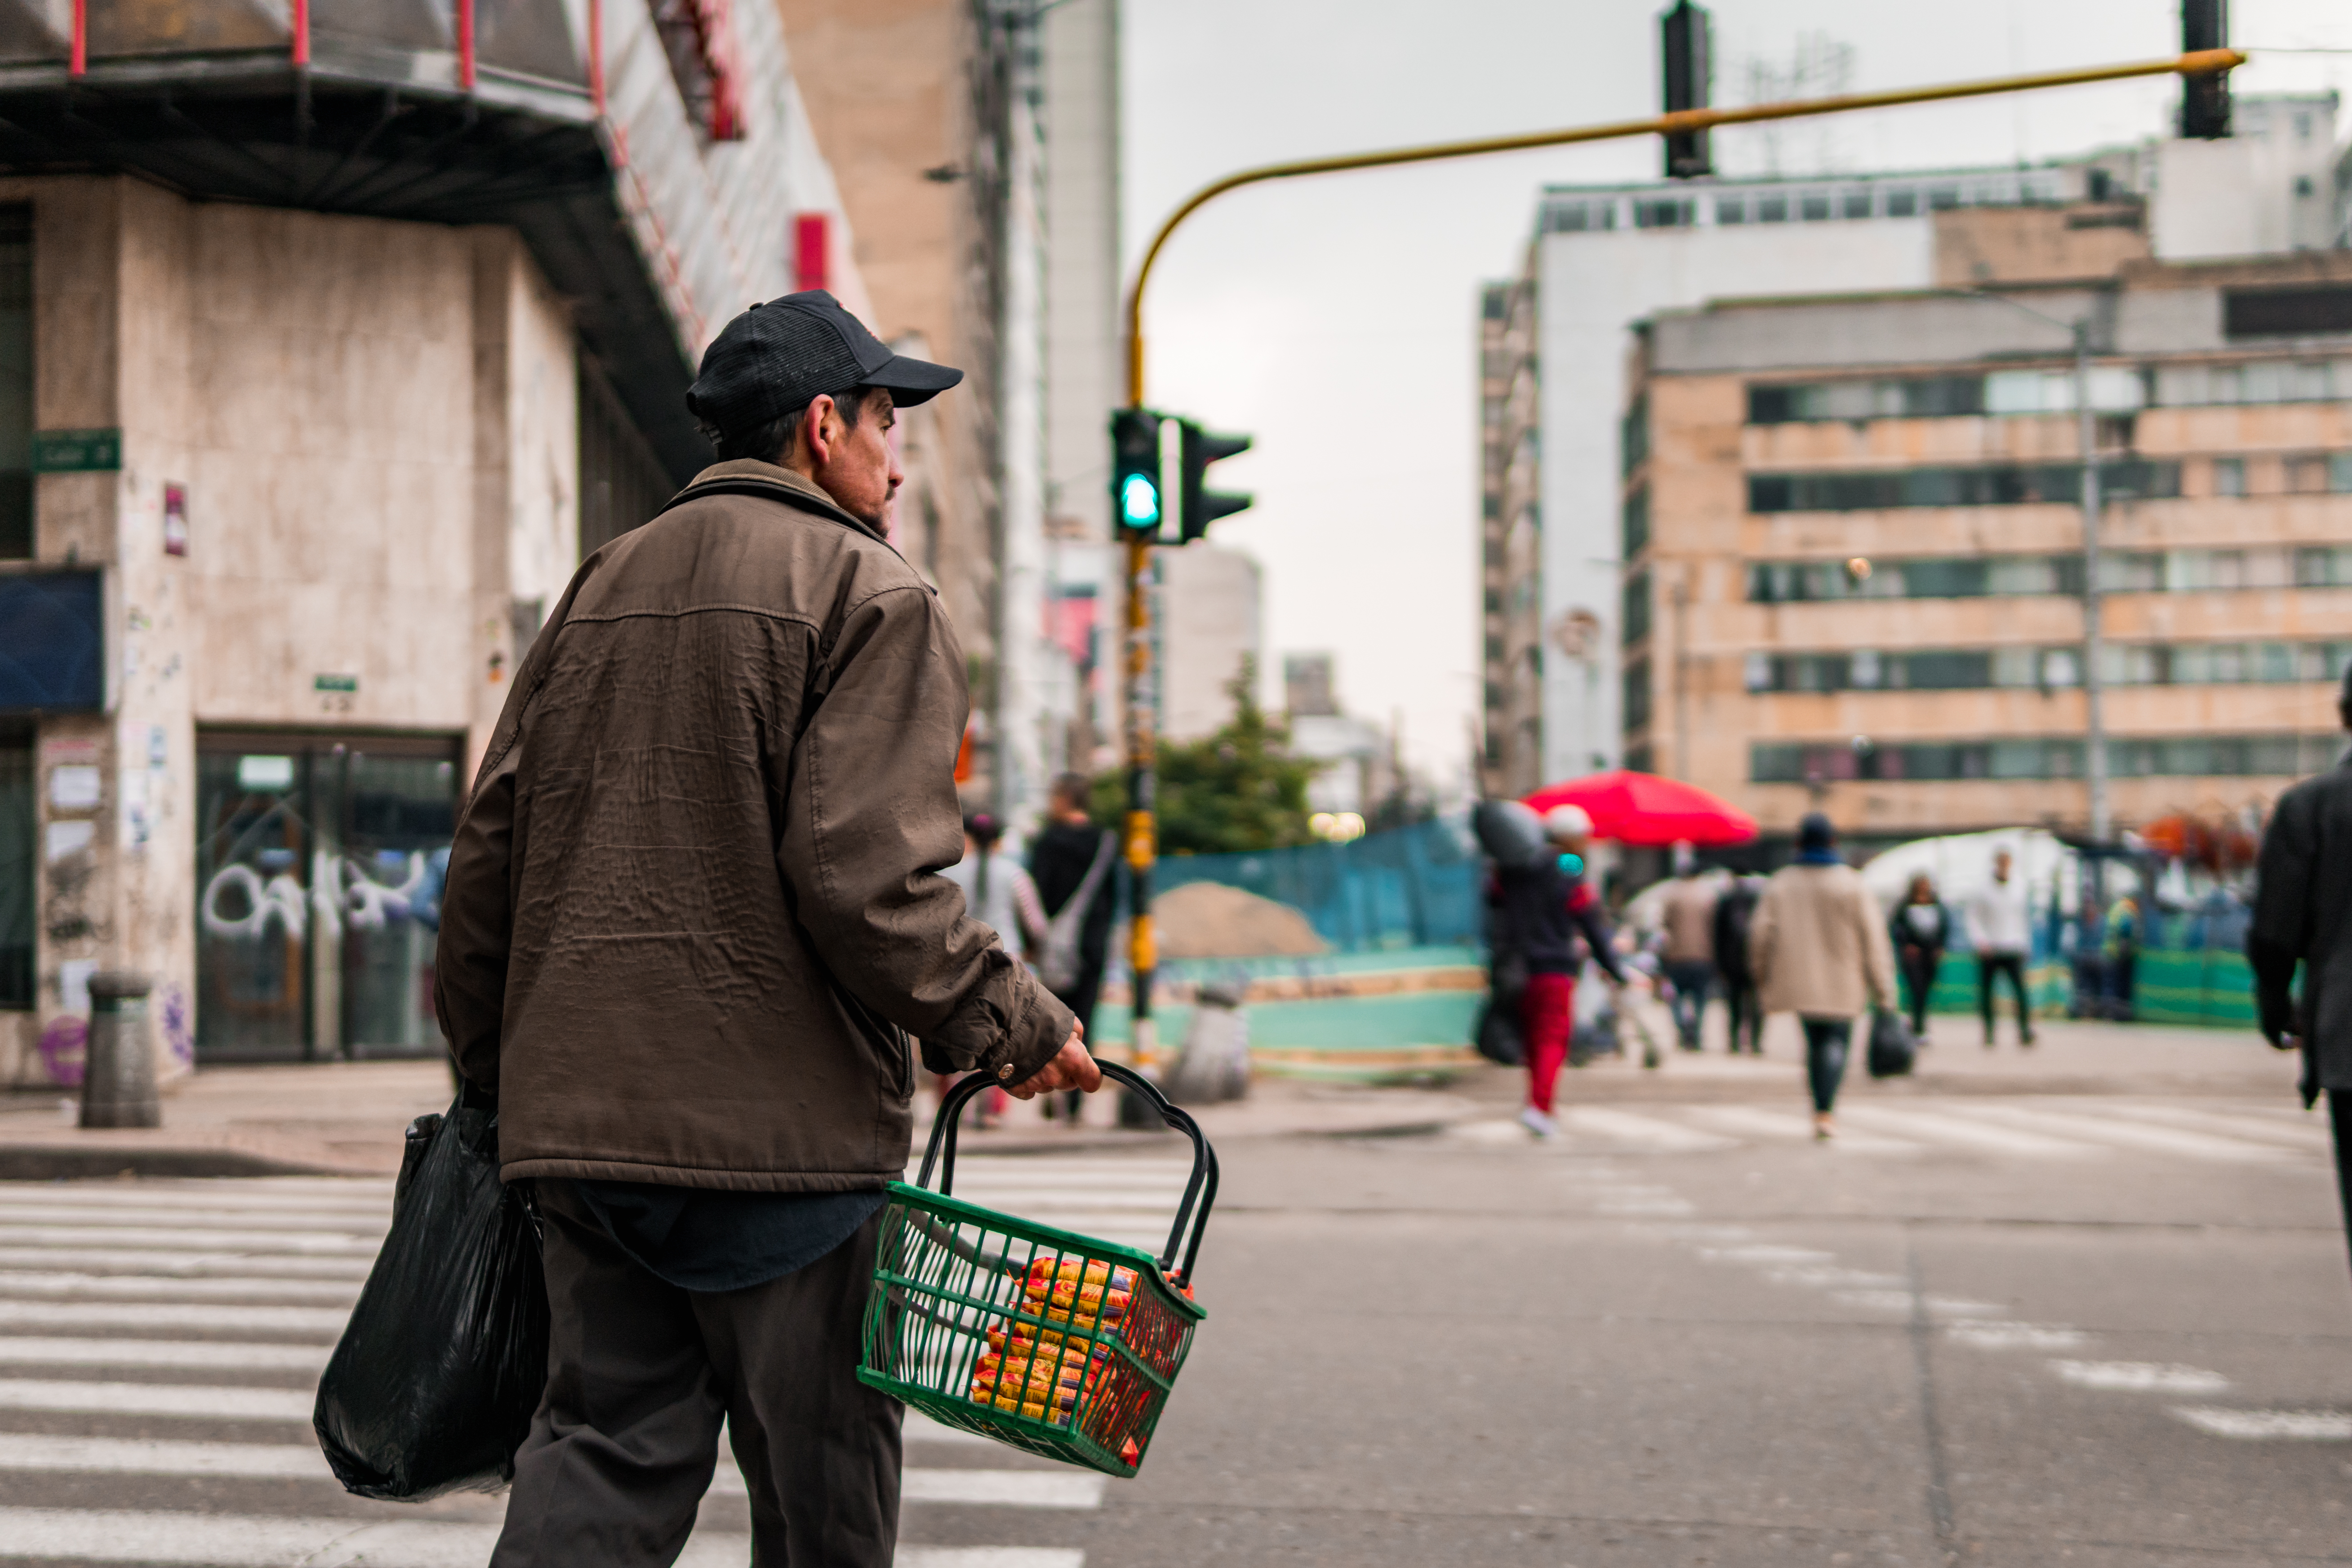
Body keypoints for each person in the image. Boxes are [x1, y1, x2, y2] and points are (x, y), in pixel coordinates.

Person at [434, 290, 1100, 1568]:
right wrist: (1015, 1024)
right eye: (887, 421)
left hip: (583, 1148)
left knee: (602, 1456)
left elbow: (488, 869)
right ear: (821, 425)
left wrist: (504, 1085)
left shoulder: (599, 585)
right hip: (783, 1161)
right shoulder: (872, 592)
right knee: (823, 1496)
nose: (896, 456)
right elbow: (871, 885)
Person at [2248, 663, 2352, 1286]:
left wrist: (2274, 1002)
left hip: (2346, 1032)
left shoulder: (2310, 808)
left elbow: (2274, 929)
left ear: (2343, 714)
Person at [1750, 813, 1896, 1141]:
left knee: (1814, 1044)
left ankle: (1820, 1108)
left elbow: (1760, 936)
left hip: (1800, 982)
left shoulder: (1782, 883)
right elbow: (1874, 940)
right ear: (1833, 842)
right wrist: (1884, 991)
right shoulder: (1851, 883)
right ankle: (1826, 1110)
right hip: (1845, 981)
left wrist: (1762, 977)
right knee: (1836, 1043)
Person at [1490, 804, 1632, 1138]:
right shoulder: (1567, 865)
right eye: (1583, 837)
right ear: (1570, 838)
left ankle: (1535, 1103)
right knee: (1552, 1039)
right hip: (1554, 967)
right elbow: (1588, 916)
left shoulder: (1513, 867)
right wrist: (1613, 966)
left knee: (1531, 1039)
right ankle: (1540, 1108)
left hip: (1515, 967)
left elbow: (1494, 900)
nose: (1586, 844)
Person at [938, 813, 1049, 1130]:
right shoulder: (1015, 874)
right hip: (1007, 965)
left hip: (958, 965)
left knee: (956, 1036)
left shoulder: (950, 875)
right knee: (1001, 1038)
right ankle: (993, 1109)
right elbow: (1037, 925)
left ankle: (959, 1108)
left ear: (968, 837)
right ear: (1001, 840)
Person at [1029, 772, 1119, 1123]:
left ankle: (1054, 1089)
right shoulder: (1106, 841)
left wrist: (1035, 942)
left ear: (1064, 798)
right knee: (1086, 1020)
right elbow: (1113, 897)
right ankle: (1080, 1098)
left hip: (1054, 945)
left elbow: (1037, 892)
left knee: (1052, 1020)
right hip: (1092, 943)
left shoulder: (1048, 840)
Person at [1965, 848, 2036, 1048]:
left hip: (2013, 946)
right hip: (1991, 947)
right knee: (1987, 993)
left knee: (2020, 993)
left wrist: (2025, 943)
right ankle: (1989, 1032)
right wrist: (1980, 941)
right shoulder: (1983, 889)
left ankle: (2024, 1031)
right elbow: (1973, 917)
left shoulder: (2019, 886)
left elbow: (2023, 918)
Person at [1658, 853, 1718, 1052]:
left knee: (1676, 998)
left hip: (1676, 955)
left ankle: (1683, 1030)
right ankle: (1697, 1033)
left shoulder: (1672, 895)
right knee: (1701, 998)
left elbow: (1665, 923)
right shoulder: (1708, 896)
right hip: (1703, 955)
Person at [1890, 873, 1950, 1044]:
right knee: (1916, 989)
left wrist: (1939, 946)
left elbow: (1944, 927)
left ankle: (1919, 1024)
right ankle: (1918, 1026)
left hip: (1930, 954)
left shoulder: (1937, 905)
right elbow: (1895, 927)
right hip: (1913, 954)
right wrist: (1905, 944)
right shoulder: (1904, 906)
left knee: (1925, 990)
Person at [1712, 874, 1765, 1054]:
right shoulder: (1757, 901)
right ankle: (1756, 1041)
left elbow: (1718, 937)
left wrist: (1720, 964)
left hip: (1732, 962)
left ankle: (1735, 1040)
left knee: (1734, 1004)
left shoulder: (1726, 901)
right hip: (1755, 961)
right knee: (1756, 1005)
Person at [2102, 889, 2141, 1021]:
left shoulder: (2116, 907)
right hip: (2120, 953)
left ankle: (2110, 1013)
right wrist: (2126, 952)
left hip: (2110, 952)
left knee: (2111, 983)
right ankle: (2119, 1015)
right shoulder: (2128, 909)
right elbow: (2126, 930)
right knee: (2120, 985)